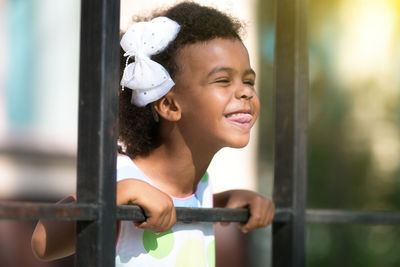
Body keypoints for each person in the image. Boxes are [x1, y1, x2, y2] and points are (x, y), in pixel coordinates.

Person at [31, 2, 275, 266]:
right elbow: (42, 242)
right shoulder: (123, 177)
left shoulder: (200, 184)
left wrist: (228, 201)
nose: (245, 92)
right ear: (169, 105)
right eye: (222, 80)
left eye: (248, 81)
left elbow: (181, 204)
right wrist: (121, 193)